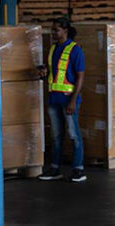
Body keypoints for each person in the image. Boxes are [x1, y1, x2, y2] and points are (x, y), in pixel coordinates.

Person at [38, 17, 87, 182]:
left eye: (56, 30)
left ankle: (78, 169)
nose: (53, 32)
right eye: (52, 29)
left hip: (68, 100)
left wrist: (73, 100)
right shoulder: (53, 49)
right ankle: (55, 168)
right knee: (56, 136)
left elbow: (80, 77)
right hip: (54, 99)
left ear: (65, 31)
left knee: (74, 135)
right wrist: (44, 73)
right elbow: (55, 74)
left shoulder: (75, 50)